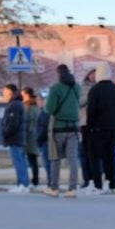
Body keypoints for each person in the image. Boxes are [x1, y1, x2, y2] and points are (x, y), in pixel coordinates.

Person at [84, 65, 115, 193]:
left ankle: (98, 185)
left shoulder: (95, 90)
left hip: (98, 129)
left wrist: (90, 127)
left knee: (95, 157)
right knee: (110, 156)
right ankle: (112, 183)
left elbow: (91, 110)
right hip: (113, 129)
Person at [44, 64, 81, 195]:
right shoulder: (77, 87)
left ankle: (54, 188)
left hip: (58, 128)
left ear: (58, 74)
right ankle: (73, 188)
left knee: (55, 158)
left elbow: (49, 109)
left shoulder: (55, 88)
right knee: (73, 159)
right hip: (74, 128)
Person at [0, 84, 30, 193]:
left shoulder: (14, 105)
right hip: (17, 138)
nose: (3, 93)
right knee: (21, 161)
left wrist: (5, 133)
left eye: (5, 91)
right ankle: (23, 184)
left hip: (15, 138)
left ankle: (22, 184)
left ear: (10, 92)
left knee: (19, 162)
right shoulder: (16, 104)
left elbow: (13, 123)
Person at [22, 88, 41, 188]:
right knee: (32, 160)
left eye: (23, 94)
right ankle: (35, 180)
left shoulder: (28, 107)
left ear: (27, 95)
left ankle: (34, 181)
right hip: (34, 136)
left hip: (30, 137)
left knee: (31, 160)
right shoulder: (34, 106)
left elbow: (28, 122)